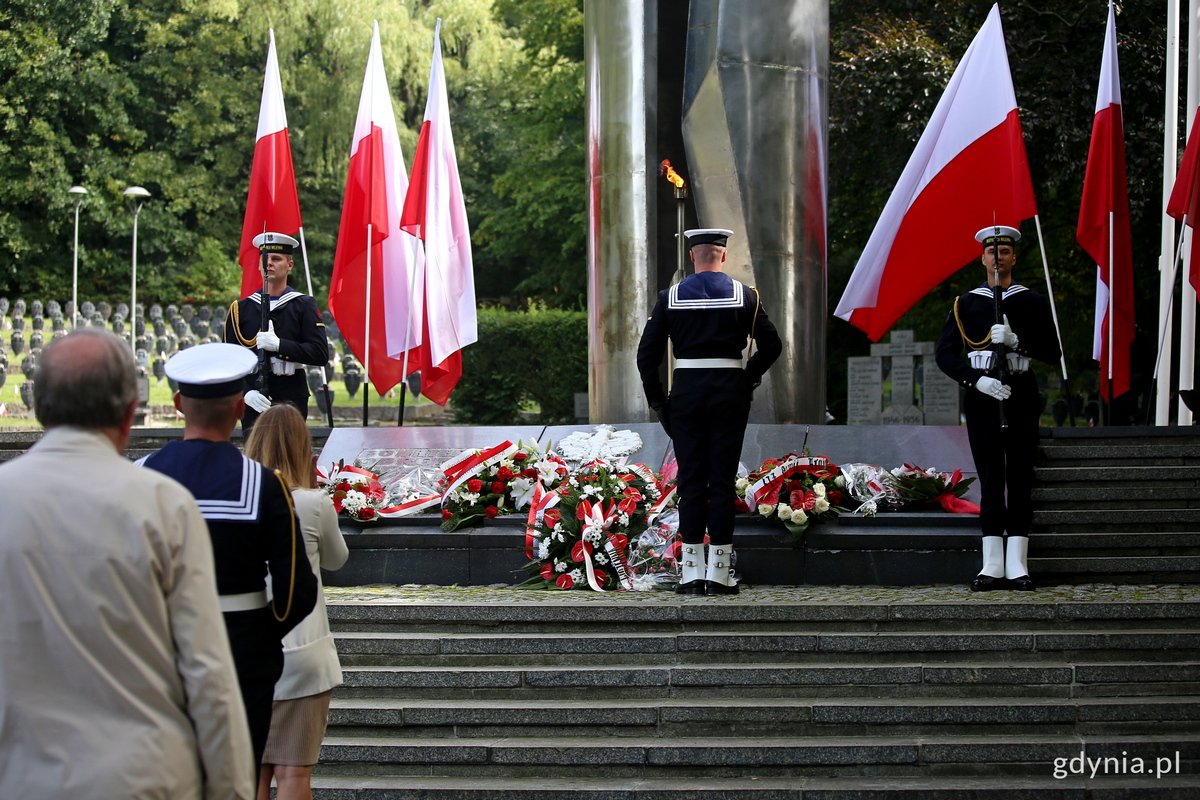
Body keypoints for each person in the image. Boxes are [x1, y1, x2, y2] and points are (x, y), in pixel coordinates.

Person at [0, 330, 254, 799]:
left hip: (21, 774)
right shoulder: (165, 506)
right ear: (128, 413)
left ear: (39, 407)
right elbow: (207, 673)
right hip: (142, 775)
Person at [139, 342, 319, 766]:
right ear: (240, 408)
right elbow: (297, 589)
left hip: (155, 653)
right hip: (239, 655)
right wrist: (259, 635)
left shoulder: (139, 474)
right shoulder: (264, 484)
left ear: (178, 403)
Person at [637, 228, 782, 595]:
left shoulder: (669, 297)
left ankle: (690, 572)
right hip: (729, 394)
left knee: (690, 481)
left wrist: (659, 401)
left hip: (685, 394)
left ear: (692, 257)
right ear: (722, 255)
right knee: (720, 480)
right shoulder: (745, 296)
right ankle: (718, 572)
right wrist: (747, 377)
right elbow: (772, 345)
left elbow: (646, 357)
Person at [935, 225, 1062, 591]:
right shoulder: (966, 303)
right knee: (991, 478)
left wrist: (1019, 341)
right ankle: (991, 561)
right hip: (983, 396)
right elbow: (945, 355)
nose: (997, 258)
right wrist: (975, 381)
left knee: (1020, 477)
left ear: (1013, 257)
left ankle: (1017, 563)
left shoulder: (1032, 301)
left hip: (1020, 393)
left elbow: (1053, 353)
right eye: (992, 252)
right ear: (982, 257)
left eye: (1004, 251)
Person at [244, 404, 349, 800]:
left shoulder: (242, 498)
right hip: (304, 653)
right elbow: (338, 560)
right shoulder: (312, 502)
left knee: (249, 775)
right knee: (293, 776)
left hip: (249, 651)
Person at [224, 231, 329, 429]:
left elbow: (320, 353)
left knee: (289, 456)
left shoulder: (302, 305)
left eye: (276, 259)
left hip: (291, 397)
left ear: (290, 265)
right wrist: (245, 393)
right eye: (264, 259)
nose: (268, 263)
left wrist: (280, 345)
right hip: (253, 400)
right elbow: (229, 361)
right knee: (256, 458)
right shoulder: (241, 309)